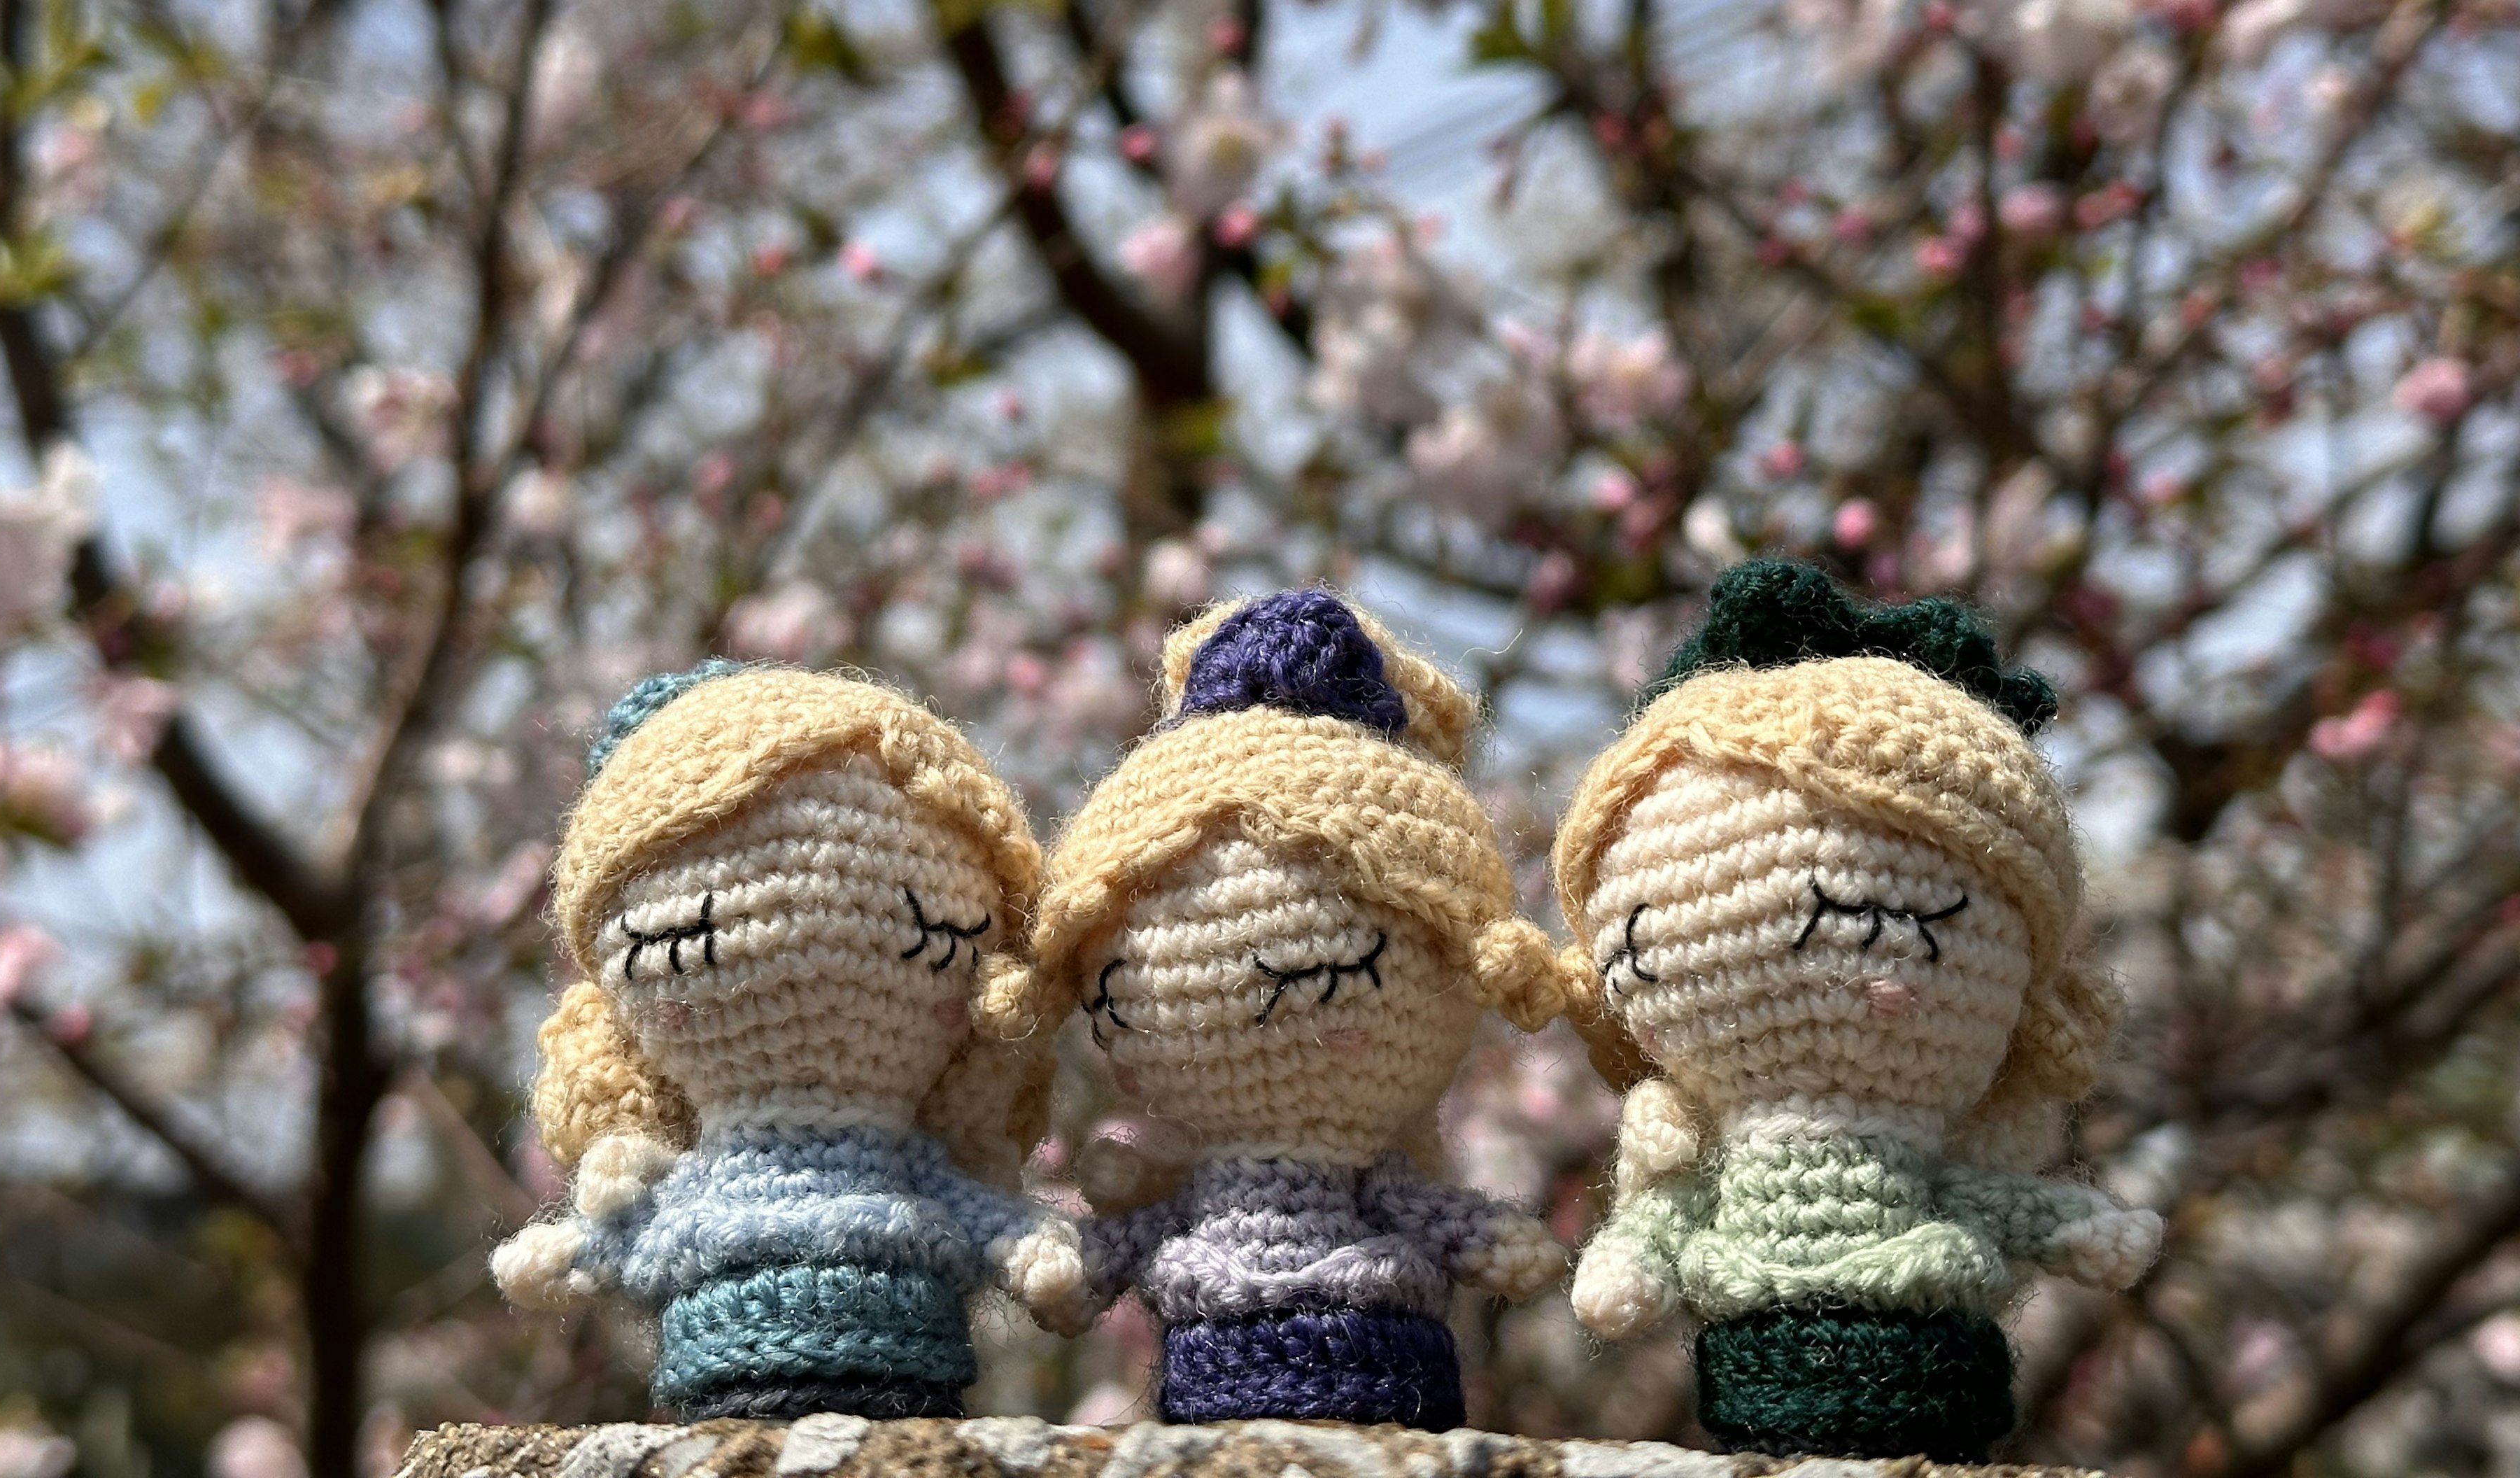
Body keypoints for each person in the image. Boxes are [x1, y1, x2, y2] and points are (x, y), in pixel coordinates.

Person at [1554, 558, 2162, 1461]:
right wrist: (1631, 1255)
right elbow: (1661, 1223)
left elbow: (1990, 1200)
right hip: (1757, 1353)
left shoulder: (1924, 1158)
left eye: (1871, 920)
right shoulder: (1699, 1150)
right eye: (1639, 956)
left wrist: (2074, 1224)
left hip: (1929, 1351)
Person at [1003, 589, 1574, 1429]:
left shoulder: (1371, 1182)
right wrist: (1084, 1266)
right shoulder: (1204, 1189)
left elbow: (1458, 1228)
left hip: (1385, 1367)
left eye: (1310, 971)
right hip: (1218, 1370)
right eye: (1120, 991)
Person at [490, 663, 1081, 1419]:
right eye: (686, 940)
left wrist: (1028, 1243)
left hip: (906, 1360)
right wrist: (580, 1248)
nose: (813, 960)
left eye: (929, 933)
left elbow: (995, 1222)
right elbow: (621, 1232)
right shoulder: (704, 1182)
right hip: (732, 1359)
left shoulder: (910, 1170)